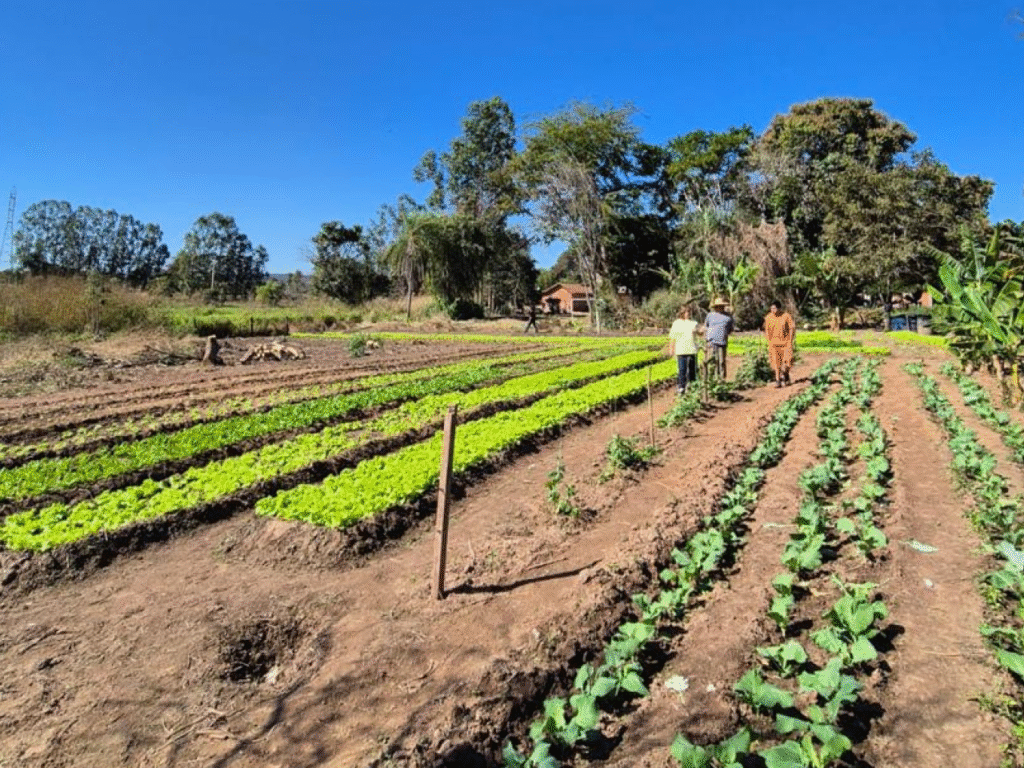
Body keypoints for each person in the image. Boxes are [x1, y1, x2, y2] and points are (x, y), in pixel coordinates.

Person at [763, 300, 796, 387]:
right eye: (771, 308)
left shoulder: (786, 316)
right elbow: (767, 330)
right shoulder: (768, 317)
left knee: (789, 361)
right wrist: (769, 341)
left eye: (774, 308)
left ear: (779, 308)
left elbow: (791, 328)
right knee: (776, 363)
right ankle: (777, 380)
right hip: (774, 344)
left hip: (785, 343)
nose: (772, 310)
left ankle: (785, 374)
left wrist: (790, 339)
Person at [667, 306, 699, 395]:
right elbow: (672, 337)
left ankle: (693, 387)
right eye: (686, 312)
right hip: (681, 350)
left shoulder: (694, 323)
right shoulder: (676, 323)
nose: (687, 314)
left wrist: (702, 331)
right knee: (682, 370)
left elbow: (699, 334)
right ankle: (681, 388)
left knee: (692, 370)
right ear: (682, 313)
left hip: (692, 350)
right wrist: (671, 349)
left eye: (689, 312)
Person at [705, 297, 735, 380]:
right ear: (715, 307)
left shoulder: (728, 317)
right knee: (712, 361)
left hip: (722, 342)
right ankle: (711, 379)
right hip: (711, 342)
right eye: (718, 306)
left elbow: (730, 329)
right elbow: (707, 326)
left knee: (721, 362)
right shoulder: (710, 315)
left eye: (721, 306)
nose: (720, 308)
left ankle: (721, 380)